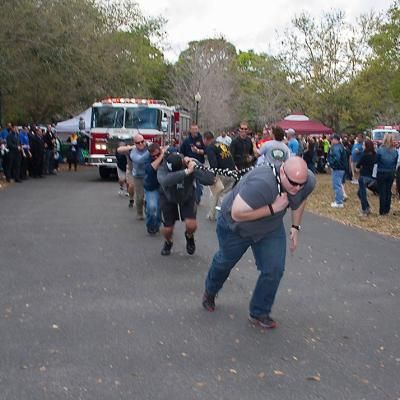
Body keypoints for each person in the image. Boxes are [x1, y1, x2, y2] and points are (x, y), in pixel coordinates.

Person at [202, 157, 315, 329]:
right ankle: (210, 291)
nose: (298, 188)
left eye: (302, 183)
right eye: (293, 183)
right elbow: (237, 213)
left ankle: (260, 312)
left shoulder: (305, 181)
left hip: (269, 228)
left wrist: (295, 226)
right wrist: (273, 208)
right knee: (225, 262)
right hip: (236, 227)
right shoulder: (262, 183)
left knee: (274, 269)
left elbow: (301, 199)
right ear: (282, 172)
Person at [157, 152, 215, 256]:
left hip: (187, 196)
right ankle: (168, 242)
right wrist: (186, 172)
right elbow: (165, 180)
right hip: (168, 198)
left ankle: (189, 236)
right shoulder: (163, 166)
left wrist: (196, 166)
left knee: (191, 225)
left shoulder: (190, 163)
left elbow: (209, 180)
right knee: (167, 229)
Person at [202, 131, 236, 221]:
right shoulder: (221, 144)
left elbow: (214, 164)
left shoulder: (210, 148)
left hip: (222, 173)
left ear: (205, 139)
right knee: (226, 194)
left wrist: (213, 176)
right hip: (232, 172)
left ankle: (214, 215)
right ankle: (229, 213)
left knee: (215, 193)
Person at [118, 134, 150, 219]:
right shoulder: (132, 151)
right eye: (138, 142)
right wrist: (131, 147)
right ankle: (139, 213)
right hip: (137, 175)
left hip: (149, 174)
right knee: (140, 197)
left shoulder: (149, 147)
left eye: (142, 142)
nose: (140, 144)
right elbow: (119, 150)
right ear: (135, 143)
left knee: (149, 196)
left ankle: (149, 210)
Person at [180, 123, 206, 204]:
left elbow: (206, 151)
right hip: (189, 165)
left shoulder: (201, 140)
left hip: (199, 165)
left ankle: (197, 199)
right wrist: (184, 160)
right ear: (190, 130)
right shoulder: (186, 141)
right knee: (188, 183)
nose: (195, 131)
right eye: (193, 129)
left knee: (199, 184)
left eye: (196, 129)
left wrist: (198, 151)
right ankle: (188, 199)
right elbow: (181, 153)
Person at [144, 143, 164, 234]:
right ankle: (151, 225)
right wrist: (161, 156)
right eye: (153, 156)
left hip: (164, 187)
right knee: (152, 207)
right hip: (152, 187)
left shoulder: (166, 155)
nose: (156, 157)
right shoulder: (147, 159)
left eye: (158, 154)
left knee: (159, 209)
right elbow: (151, 169)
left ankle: (157, 224)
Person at [376, 133, 398, 216]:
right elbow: (395, 163)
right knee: (388, 191)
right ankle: (387, 209)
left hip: (381, 171)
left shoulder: (380, 150)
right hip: (391, 172)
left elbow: (376, 160)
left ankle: (382, 211)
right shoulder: (395, 152)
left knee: (382, 192)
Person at [356, 139, 377, 216]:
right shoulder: (374, 155)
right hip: (371, 177)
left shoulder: (365, 155)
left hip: (364, 176)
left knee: (362, 194)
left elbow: (358, 165)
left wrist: (359, 167)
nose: (362, 146)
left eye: (364, 145)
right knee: (359, 193)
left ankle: (365, 209)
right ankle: (367, 207)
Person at [327, 134, 347, 208]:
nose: (331, 141)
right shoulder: (341, 146)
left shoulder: (336, 148)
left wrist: (331, 163)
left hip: (338, 168)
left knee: (337, 185)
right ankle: (339, 200)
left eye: (332, 139)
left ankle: (339, 202)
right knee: (338, 185)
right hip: (341, 168)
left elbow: (337, 158)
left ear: (335, 139)